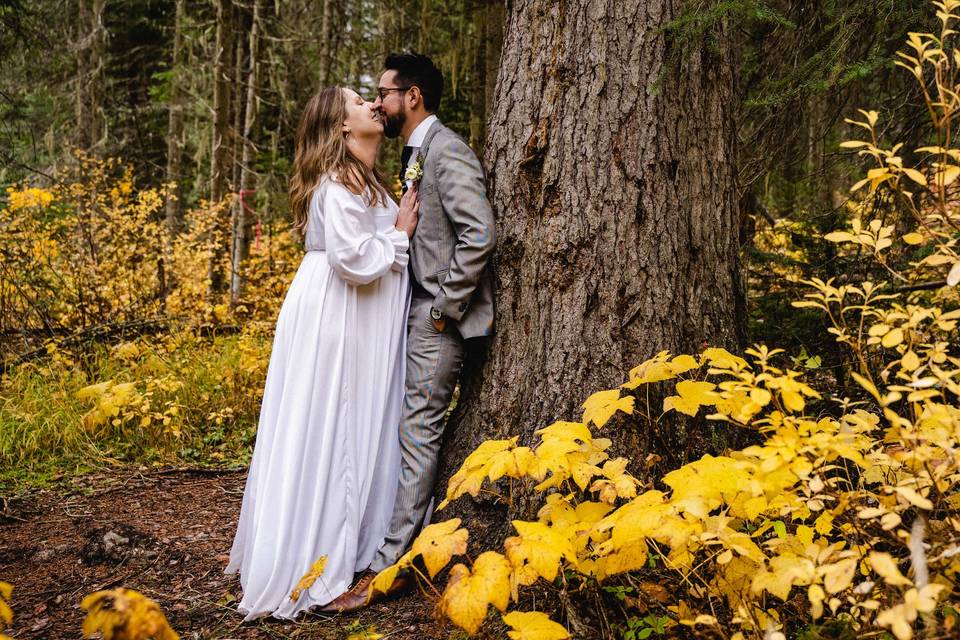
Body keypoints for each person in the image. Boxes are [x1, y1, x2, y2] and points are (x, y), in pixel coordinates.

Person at [224, 85, 420, 620]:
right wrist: (401, 234)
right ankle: (315, 557)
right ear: (340, 126)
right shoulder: (335, 187)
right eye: (360, 102)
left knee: (359, 425)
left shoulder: (368, 182)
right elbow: (354, 260)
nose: (373, 107)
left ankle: (354, 542)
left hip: (360, 315)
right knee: (334, 426)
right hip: (336, 315)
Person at [322, 52, 496, 613]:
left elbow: (479, 234)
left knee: (418, 436)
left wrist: (444, 308)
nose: (378, 102)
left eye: (384, 92)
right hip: (414, 311)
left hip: (436, 318)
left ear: (412, 96)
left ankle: (389, 568)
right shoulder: (415, 154)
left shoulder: (448, 151)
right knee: (403, 433)